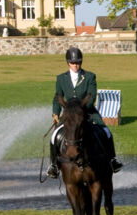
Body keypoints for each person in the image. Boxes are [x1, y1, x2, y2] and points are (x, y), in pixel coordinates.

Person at [46, 46, 123, 178]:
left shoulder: (89, 76)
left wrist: (81, 110)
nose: (75, 65)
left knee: (107, 132)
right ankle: (54, 165)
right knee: (54, 137)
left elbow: (91, 96)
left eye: (78, 63)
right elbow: (57, 97)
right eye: (73, 63)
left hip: (88, 112)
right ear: (68, 63)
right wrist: (55, 113)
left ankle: (112, 161)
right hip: (69, 116)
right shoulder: (61, 79)